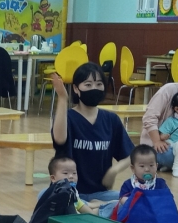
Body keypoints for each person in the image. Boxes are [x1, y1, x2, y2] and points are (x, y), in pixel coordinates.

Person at [50, 62, 134, 203]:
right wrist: (63, 98)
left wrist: (114, 171)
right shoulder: (67, 117)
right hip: (69, 192)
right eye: (88, 84)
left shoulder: (111, 119)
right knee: (45, 197)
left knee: (131, 200)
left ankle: (95, 207)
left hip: (101, 193)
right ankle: (95, 208)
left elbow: (131, 155)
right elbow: (59, 139)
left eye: (99, 84)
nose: (94, 88)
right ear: (76, 89)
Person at [45, 156, 114, 217]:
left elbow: (79, 204)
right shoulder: (57, 193)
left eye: (74, 173)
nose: (71, 176)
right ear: (53, 178)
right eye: (65, 173)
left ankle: (97, 204)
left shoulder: (72, 191)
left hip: (78, 206)